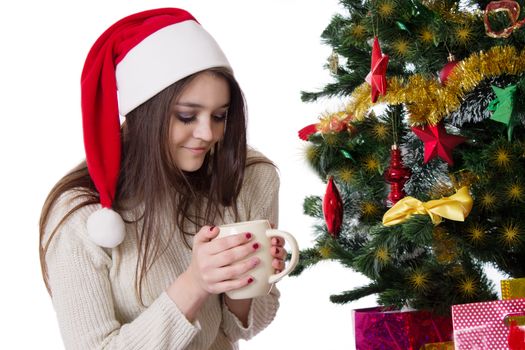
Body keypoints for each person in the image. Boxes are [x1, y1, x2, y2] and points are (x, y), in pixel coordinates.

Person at [39, 8, 286, 349]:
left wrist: (245, 282)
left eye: (219, 116)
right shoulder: (82, 214)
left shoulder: (249, 177)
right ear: (145, 112)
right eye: (187, 116)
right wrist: (195, 284)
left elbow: (244, 328)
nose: (207, 133)